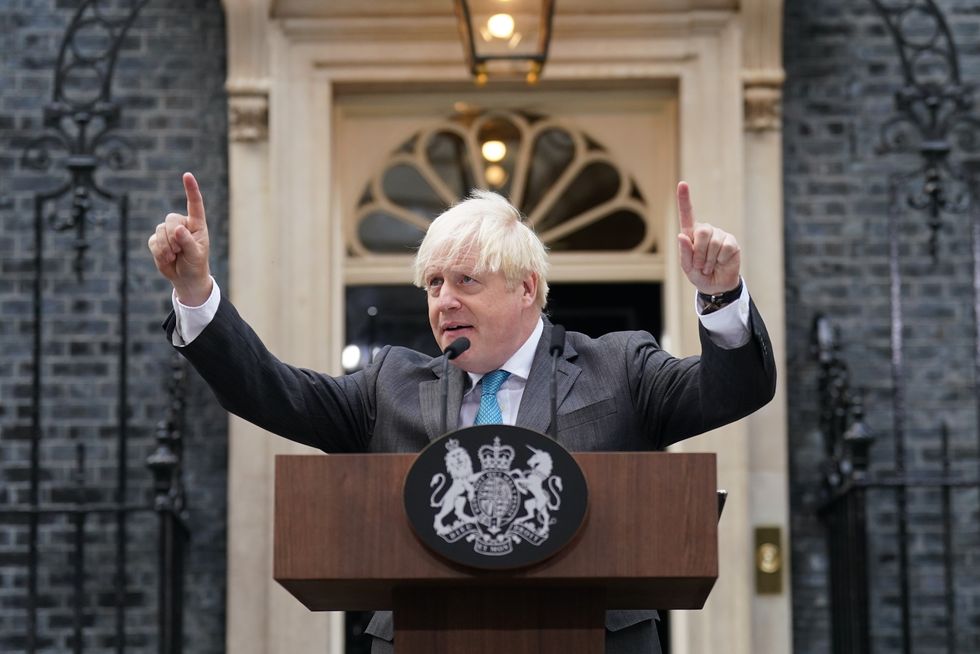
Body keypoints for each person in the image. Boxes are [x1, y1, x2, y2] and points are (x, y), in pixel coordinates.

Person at [148, 173, 776, 654]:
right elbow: (270, 391)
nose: (444, 300)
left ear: (526, 287)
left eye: (466, 282)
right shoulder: (389, 385)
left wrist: (720, 299)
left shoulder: (618, 368)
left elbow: (730, 392)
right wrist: (196, 295)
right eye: (433, 285)